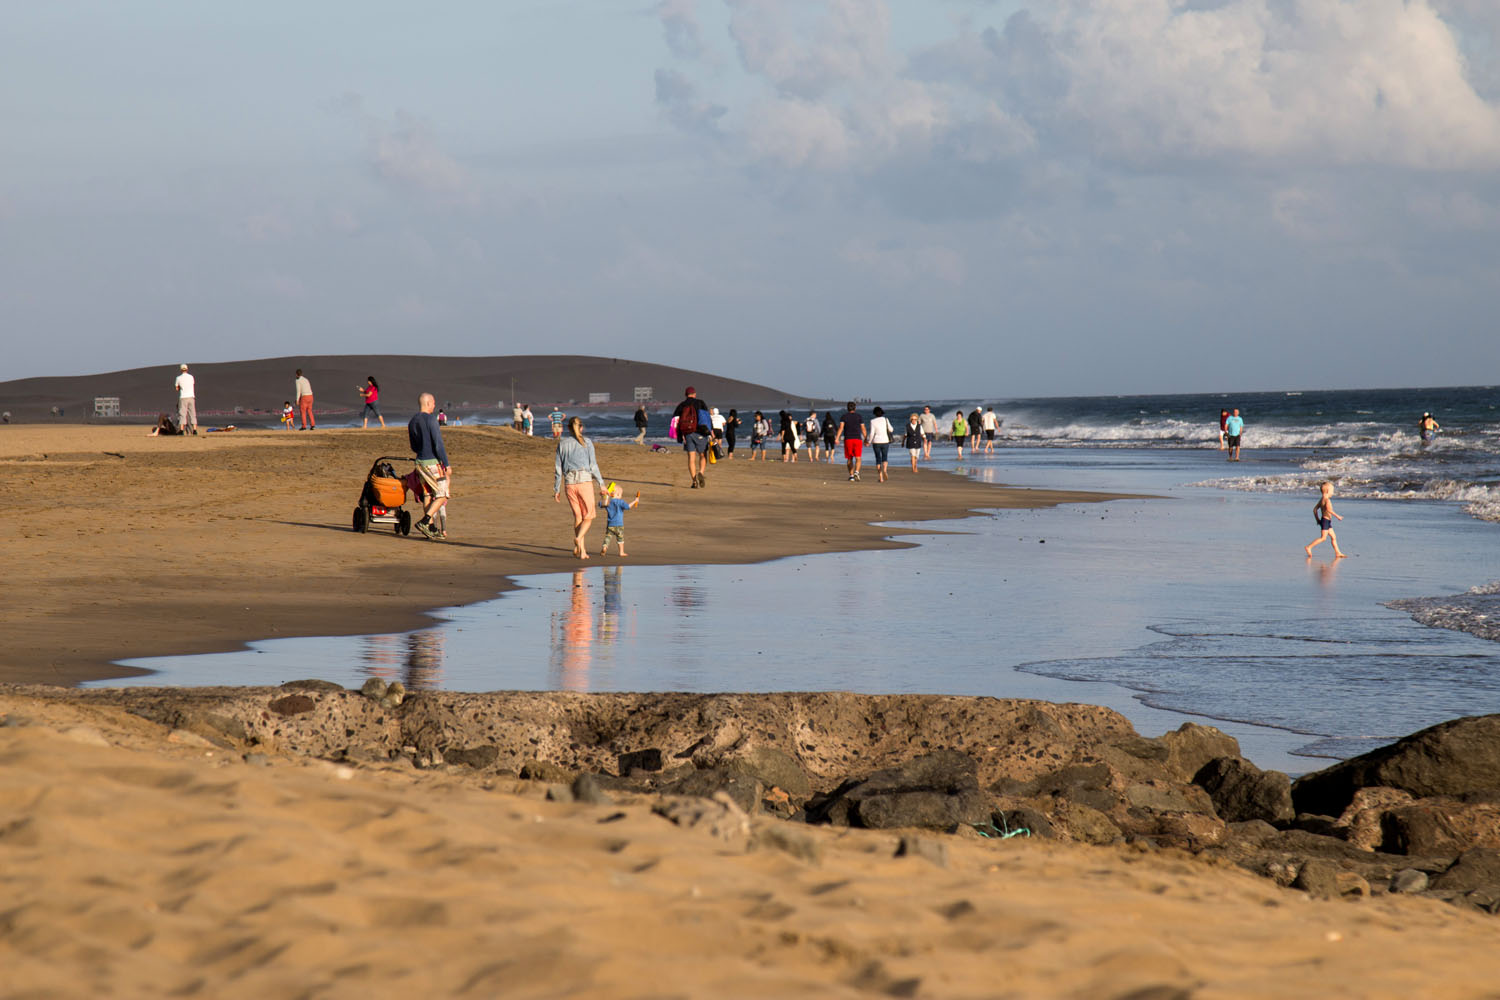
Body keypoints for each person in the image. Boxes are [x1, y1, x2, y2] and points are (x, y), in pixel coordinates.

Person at [554, 415, 607, 558]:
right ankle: (578, 539)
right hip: (584, 481)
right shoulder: (587, 442)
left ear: (568, 429)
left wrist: (556, 489)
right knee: (589, 516)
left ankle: (582, 551)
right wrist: (602, 484)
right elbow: (593, 466)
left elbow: (558, 468)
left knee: (578, 517)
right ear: (581, 428)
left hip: (569, 483)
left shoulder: (562, 444)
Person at [408, 393, 450, 540]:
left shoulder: (413, 421)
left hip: (419, 462)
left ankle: (431, 528)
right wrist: (446, 464)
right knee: (442, 494)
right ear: (428, 403)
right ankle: (425, 521)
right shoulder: (431, 419)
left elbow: (413, 446)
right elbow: (438, 444)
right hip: (432, 463)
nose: (434, 406)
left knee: (427, 494)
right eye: (433, 403)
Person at [672, 386, 712, 488]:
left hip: (688, 433)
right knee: (703, 455)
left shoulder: (681, 405)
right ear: (694, 394)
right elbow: (707, 418)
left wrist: (680, 436)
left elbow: (675, 421)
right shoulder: (700, 403)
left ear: (686, 395)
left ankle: (694, 482)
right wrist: (711, 432)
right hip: (700, 433)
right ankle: (701, 473)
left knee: (691, 458)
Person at [1305, 481, 1346, 559]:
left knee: (1333, 537)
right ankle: (1309, 547)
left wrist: (1317, 519)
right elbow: (1329, 510)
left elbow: (1315, 510)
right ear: (1327, 491)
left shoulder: (1321, 499)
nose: (1332, 493)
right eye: (1332, 491)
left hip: (1325, 521)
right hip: (1325, 521)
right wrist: (1338, 516)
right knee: (1323, 538)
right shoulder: (1327, 500)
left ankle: (1338, 552)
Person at [599, 482, 640, 557]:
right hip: (619, 525)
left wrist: (604, 496)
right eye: (621, 494)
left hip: (610, 525)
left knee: (608, 537)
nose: (621, 496)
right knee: (620, 539)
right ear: (617, 494)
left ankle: (604, 547)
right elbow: (627, 507)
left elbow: (600, 504)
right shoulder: (620, 502)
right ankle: (621, 552)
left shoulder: (608, 502)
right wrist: (635, 501)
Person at [834, 401, 868, 481]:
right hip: (857, 439)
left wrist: (837, 438)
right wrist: (866, 439)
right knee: (858, 457)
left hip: (848, 439)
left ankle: (851, 476)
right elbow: (863, 428)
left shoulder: (844, 416)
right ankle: (857, 471)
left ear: (847, 408)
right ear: (855, 408)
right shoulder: (859, 416)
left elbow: (841, 428)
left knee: (849, 458)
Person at [868, 405, 895, 482]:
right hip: (885, 441)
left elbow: (872, 433)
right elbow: (891, 429)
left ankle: (880, 477)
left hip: (876, 442)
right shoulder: (886, 420)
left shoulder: (872, 421)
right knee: (885, 457)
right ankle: (885, 470)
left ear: (874, 413)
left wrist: (869, 442)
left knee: (878, 459)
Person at [174, 364, 198, 436]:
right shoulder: (191, 377)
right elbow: (192, 384)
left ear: (181, 370)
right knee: (192, 413)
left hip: (183, 397)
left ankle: (181, 430)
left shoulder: (178, 378)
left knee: (182, 414)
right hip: (191, 397)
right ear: (187, 369)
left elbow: (177, 388)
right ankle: (194, 430)